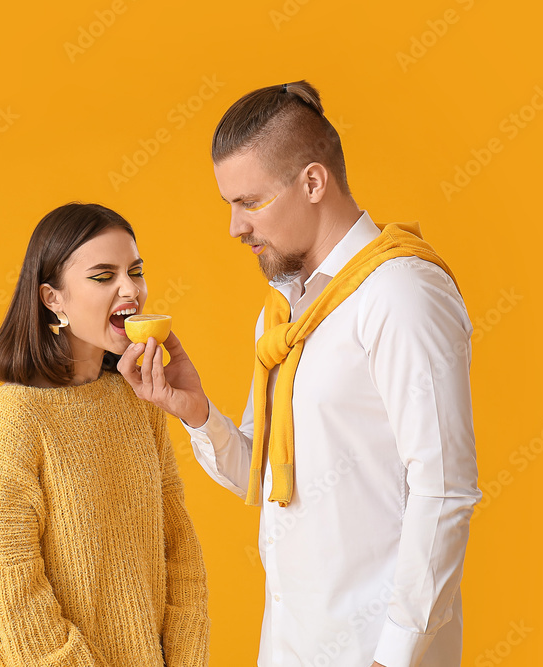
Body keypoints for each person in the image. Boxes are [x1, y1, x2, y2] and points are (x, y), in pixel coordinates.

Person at [118, 82, 481, 666]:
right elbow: (267, 484)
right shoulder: (285, 312)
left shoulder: (399, 293)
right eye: (228, 204)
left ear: (313, 182)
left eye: (250, 202)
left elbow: (445, 488)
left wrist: (394, 656)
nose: (235, 227)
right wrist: (196, 412)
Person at [0, 202, 211, 667]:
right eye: (104, 276)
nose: (131, 290)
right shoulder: (14, 415)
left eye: (136, 271)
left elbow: (179, 551)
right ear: (52, 299)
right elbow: (7, 587)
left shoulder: (136, 402)